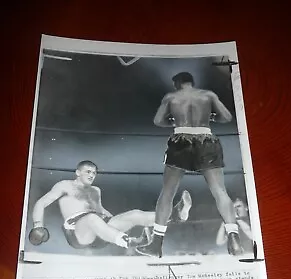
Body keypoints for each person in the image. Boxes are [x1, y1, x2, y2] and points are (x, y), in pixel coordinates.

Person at [137, 72, 243, 258]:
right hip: (206, 139)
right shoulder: (208, 95)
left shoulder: (171, 97)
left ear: (177, 83)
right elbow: (226, 117)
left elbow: (157, 121)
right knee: (220, 191)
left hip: (180, 139)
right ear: (192, 82)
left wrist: (173, 120)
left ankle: (156, 244)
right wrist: (209, 118)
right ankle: (233, 237)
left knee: (167, 193)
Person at [28, 160, 192, 251]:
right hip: (78, 234)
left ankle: (175, 216)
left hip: (100, 229)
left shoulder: (95, 190)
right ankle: (131, 242)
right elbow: (41, 202)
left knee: (134, 214)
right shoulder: (64, 185)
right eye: (88, 172)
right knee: (91, 218)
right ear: (78, 172)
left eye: (94, 172)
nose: (92, 175)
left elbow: (100, 211)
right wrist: (38, 226)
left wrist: (119, 222)